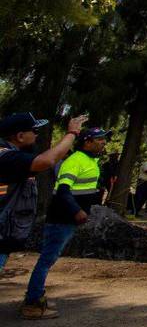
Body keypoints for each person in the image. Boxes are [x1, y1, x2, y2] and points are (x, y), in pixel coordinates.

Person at [20, 127, 110, 320]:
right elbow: (63, 190)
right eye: (99, 139)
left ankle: (35, 296)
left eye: (104, 139)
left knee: (49, 258)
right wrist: (76, 211)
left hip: (68, 219)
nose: (103, 142)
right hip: (61, 219)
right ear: (86, 142)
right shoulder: (74, 161)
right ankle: (32, 302)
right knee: (47, 259)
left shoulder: (89, 161)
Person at [0, 113, 87, 275]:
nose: (36, 135)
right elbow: (46, 161)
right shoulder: (6, 156)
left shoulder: (13, 156)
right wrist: (72, 133)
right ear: (20, 136)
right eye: (34, 131)